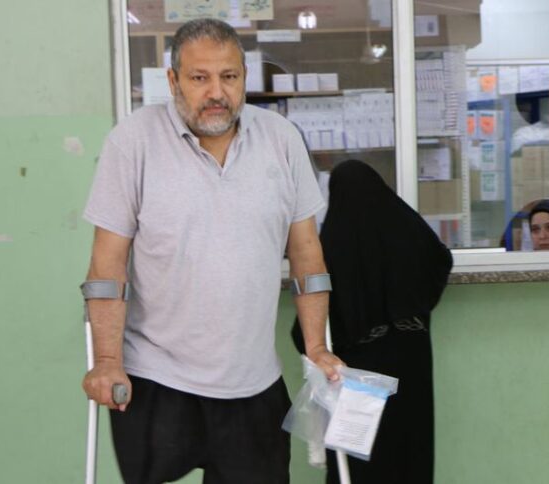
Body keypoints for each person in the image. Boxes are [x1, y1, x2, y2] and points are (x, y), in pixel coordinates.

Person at [80, 18, 342, 484]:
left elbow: (307, 256)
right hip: (157, 379)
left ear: (244, 76)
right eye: (200, 78)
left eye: (229, 77)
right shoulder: (133, 143)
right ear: (173, 80)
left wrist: (317, 348)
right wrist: (106, 361)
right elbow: (107, 265)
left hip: (254, 381)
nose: (216, 92)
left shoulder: (280, 141)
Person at [291, 160, 453, 484]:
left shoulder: (335, 246)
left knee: (359, 467)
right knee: (411, 454)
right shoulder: (409, 232)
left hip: (358, 378)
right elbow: (441, 260)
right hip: (413, 362)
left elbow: (306, 330)